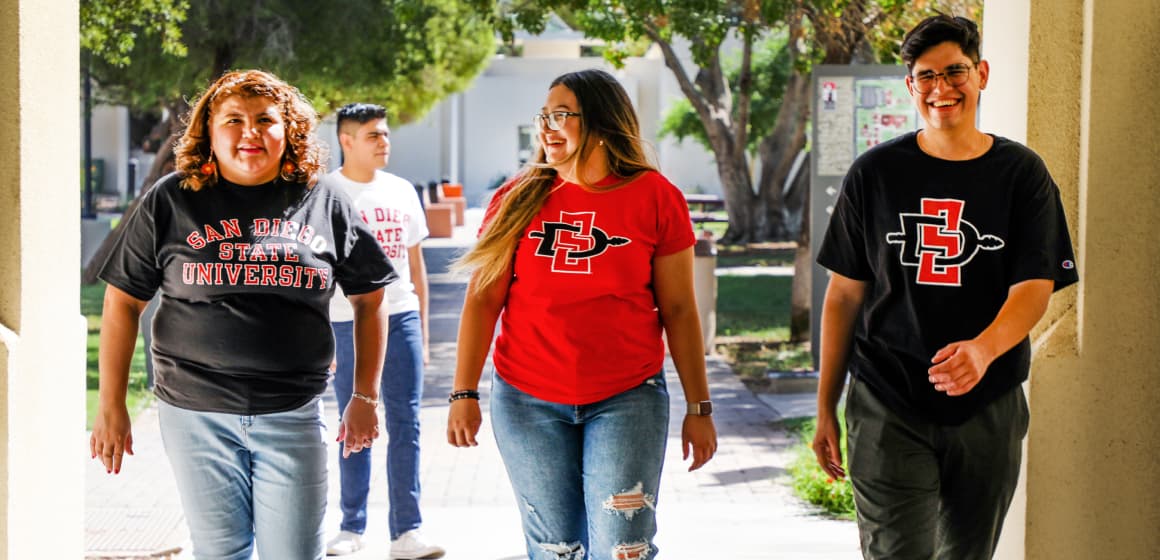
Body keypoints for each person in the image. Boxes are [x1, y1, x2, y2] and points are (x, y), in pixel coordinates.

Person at [89, 70, 397, 560]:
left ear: (289, 132)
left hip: (291, 411)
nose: (250, 132)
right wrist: (111, 407)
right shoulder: (171, 199)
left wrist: (365, 396)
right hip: (193, 413)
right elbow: (122, 302)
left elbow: (370, 299)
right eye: (233, 119)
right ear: (209, 132)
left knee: (294, 553)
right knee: (220, 553)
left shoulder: (324, 201)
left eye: (265, 120)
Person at [813, 15, 1079, 560]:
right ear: (910, 86)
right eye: (926, 76)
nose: (942, 89)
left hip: (988, 402)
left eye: (955, 72)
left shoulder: (1021, 174)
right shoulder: (875, 174)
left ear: (981, 74)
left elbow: (1034, 284)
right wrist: (825, 407)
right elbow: (844, 295)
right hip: (886, 398)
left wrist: (982, 351)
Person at [445, 68, 718, 560]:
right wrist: (463, 392)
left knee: (623, 548)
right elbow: (483, 301)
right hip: (527, 401)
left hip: (627, 398)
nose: (547, 126)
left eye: (562, 115)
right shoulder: (515, 199)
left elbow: (679, 310)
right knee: (556, 550)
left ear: (602, 121)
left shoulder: (656, 198)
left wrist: (700, 409)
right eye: (544, 115)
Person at [323, 103, 444, 559]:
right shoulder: (326, 193)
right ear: (346, 140)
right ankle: (351, 528)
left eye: (386, 134)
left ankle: (406, 532)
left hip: (401, 317)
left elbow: (416, 268)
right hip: (344, 321)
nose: (384, 142)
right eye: (373, 135)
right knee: (352, 423)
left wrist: (424, 334)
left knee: (406, 423)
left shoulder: (401, 191)